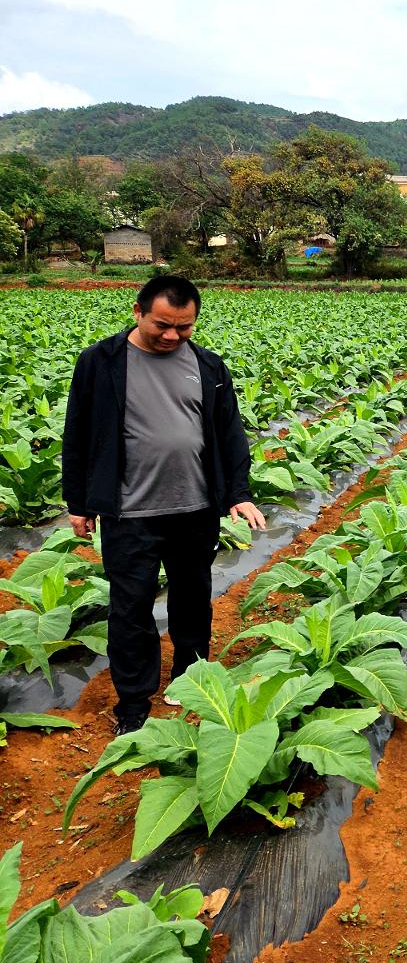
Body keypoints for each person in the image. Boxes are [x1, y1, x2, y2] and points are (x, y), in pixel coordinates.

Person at [62, 275, 265, 735]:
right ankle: (134, 701)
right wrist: (78, 501)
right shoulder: (101, 362)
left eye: (185, 327)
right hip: (128, 511)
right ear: (137, 312)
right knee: (130, 607)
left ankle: (190, 678)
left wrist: (238, 493)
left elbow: (230, 433)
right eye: (162, 325)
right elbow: (78, 434)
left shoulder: (208, 366)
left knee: (193, 599)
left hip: (194, 509)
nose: (173, 335)